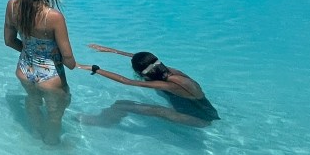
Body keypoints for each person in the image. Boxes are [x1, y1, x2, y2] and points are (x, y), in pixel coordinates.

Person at [3, 0, 76, 146]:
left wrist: (31, 52)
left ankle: (35, 135)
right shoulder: (53, 17)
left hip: (24, 71)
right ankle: (51, 147)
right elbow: (68, 59)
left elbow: (9, 41)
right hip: (50, 77)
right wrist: (74, 64)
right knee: (55, 113)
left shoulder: (12, 6)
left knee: (33, 101)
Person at [79, 45, 220, 127]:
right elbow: (148, 60)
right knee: (128, 103)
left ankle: (100, 122)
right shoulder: (169, 71)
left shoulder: (169, 85)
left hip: (201, 120)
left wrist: (94, 69)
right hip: (208, 113)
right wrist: (112, 51)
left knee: (122, 105)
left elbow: (126, 81)